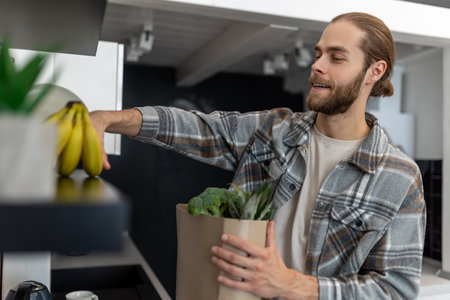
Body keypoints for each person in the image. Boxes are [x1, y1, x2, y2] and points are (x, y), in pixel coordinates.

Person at [90, 12, 425, 300]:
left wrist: (293, 285)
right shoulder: (275, 130)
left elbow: (394, 289)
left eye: (336, 57)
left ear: (375, 71)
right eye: (318, 53)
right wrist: (109, 119)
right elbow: (201, 128)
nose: (316, 65)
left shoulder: (399, 176)